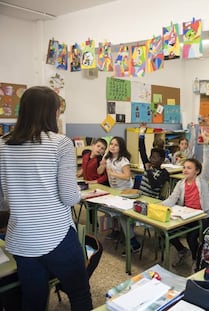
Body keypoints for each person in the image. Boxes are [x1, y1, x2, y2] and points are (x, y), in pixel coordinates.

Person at [0, 86, 92, 310]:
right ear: (50, 112)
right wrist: (80, 192)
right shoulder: (60, 143)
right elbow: (70, 197)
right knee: (79, 293)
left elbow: (2, 201)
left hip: (21, 238)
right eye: (57, 111)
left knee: (33, 299)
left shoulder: (2, 144)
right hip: (56, 234)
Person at [161, 141, 209, 268]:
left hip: (202, 217)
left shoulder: (202, 180)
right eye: (184, 167)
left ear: (197, 171)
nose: (185, 170)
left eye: (189, 168)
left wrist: (206, 145)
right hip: (187, 216)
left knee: (191, 237)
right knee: (167, 230)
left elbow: (207, 162)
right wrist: (159, 205)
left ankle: (196, 260)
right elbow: (172, 199)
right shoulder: (180, 184)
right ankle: (182, 250)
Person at [100, 137, 141, 253]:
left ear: (121, 147)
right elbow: (99, 171)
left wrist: (114, 173)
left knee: (122, 215)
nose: (112, 146)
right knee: (104, 208)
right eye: (111, 144)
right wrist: (102, 165)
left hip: (125, 191)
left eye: (116, 145)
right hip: (114, 191)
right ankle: (117, 231)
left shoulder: (123, 160)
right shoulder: (107, 158)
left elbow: (127, 176)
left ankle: (133, 242)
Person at [138, 126, 170, 199]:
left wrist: (149, 171)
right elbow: (142, 150)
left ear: (162, 160)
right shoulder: (148, 165)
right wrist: (141, 133)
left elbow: (154, 185)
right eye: (151, 157)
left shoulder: (164, 173)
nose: (152, 160)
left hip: (152, 200)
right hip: (141, 197)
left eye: (155, 158)